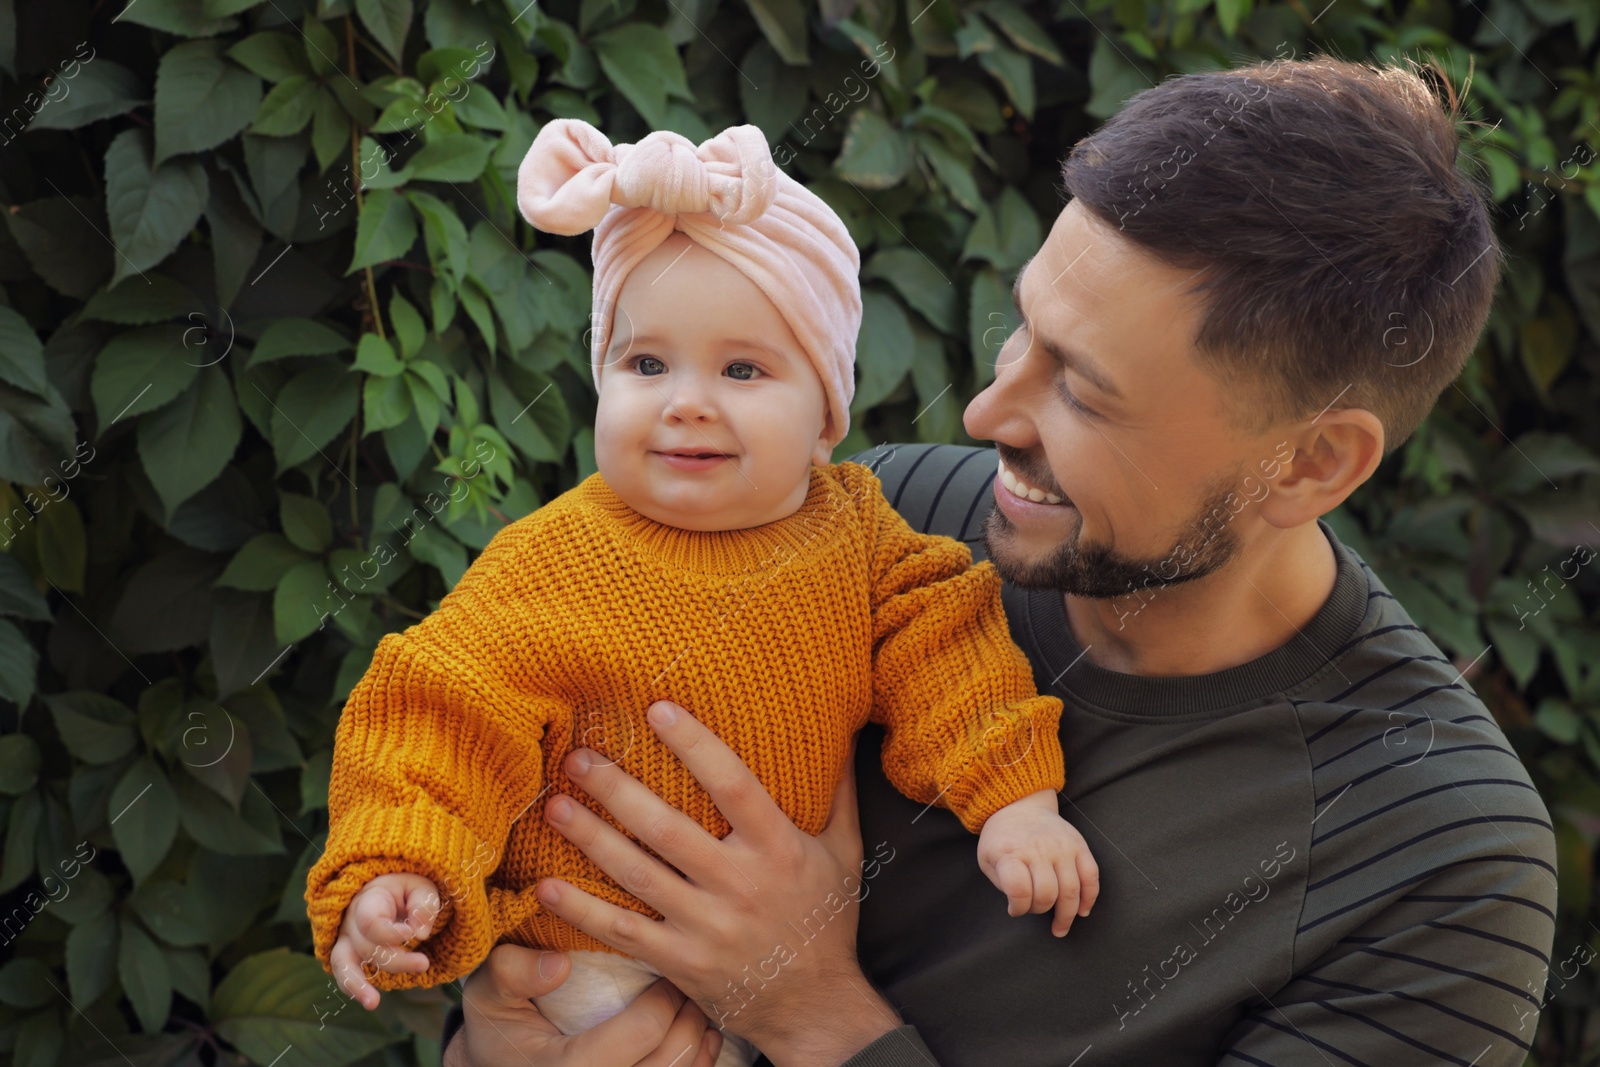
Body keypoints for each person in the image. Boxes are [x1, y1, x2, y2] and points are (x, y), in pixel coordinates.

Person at [436, 54, 1560, 1067]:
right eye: (1023, 330)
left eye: (1081, 388)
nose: (982, 410)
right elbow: (532, 820)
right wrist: (497, 1029)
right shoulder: (877, 524)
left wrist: (816, 1013)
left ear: (1312, 463)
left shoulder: (1432, 861)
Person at [304, 119, 1101, 1067]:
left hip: (765, 1004)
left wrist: (1016, 798)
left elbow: (950, 650)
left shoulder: (861, 539)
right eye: (645, 364)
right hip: (580, 980)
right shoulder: (550, 560)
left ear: (825, 418)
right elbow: (440, 712)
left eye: (742, 369)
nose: (685, 399)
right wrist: (402, 861)